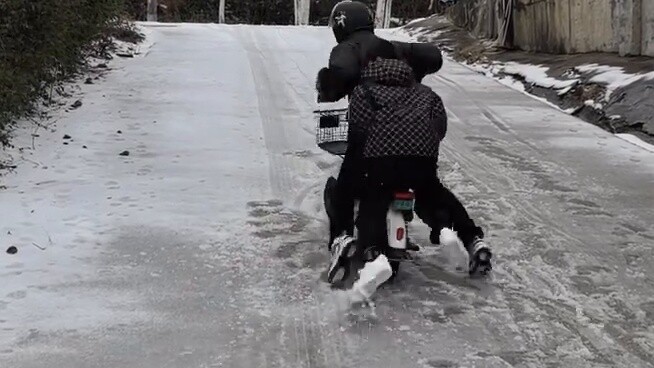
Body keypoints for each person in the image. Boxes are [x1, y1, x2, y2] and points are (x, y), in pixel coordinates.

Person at [316, 0, 492, 278]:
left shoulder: (349, 53)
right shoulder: (397, 55)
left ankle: (349, 241)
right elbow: (432, 57)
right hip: (420, 151)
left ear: (341, 24)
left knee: (352, 187)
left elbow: (346, 85)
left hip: (376, 148)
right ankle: (471, 237)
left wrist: (326, 85)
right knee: (433, 190)